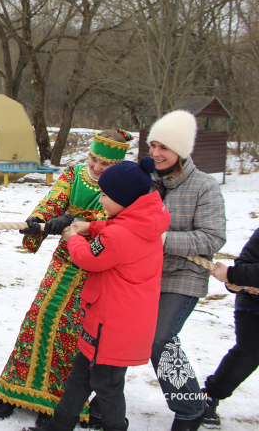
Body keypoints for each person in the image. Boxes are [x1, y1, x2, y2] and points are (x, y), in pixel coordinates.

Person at [0, 130, 132, 427]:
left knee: (70, 330)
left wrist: (78, 222)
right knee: (39, 316)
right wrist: (39, 222)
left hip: (96, 265)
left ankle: (57, 403)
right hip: (65, 258)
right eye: (94, 158)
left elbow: (116, 221)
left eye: (105, 163)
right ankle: (15, 390)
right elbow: (54, 201)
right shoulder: (75, 174)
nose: (97, 166)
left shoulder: (124, 187)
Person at [24, 157, 171, 431]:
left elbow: (89, 258)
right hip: (113, 319)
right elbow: (122, 230)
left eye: (104, 195)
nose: (100, 201)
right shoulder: (146, 222)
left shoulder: (118, 238)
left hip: (112, 324)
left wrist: (74, 237)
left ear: (123, 198)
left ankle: (116, 426)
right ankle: (60, 424)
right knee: (80, 376)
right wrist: (90, 227)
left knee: (107, 385)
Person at [145, 110, 226, 431]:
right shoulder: (146, 179)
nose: (155, 153)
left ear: (181, 150)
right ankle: (105, 401)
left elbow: (213, 236)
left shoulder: (204, 187)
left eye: (163, 147)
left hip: (184, 277)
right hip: (144, 274)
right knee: (130, 334)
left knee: (161, 338)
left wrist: (164, 239)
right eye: (152, 145)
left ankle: (190, 406)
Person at [202, 228, 259, 429]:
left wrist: (235, 274)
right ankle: (210, 396)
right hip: (254, 304)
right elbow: (244, 266)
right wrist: (235, 279)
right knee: (250, 352)